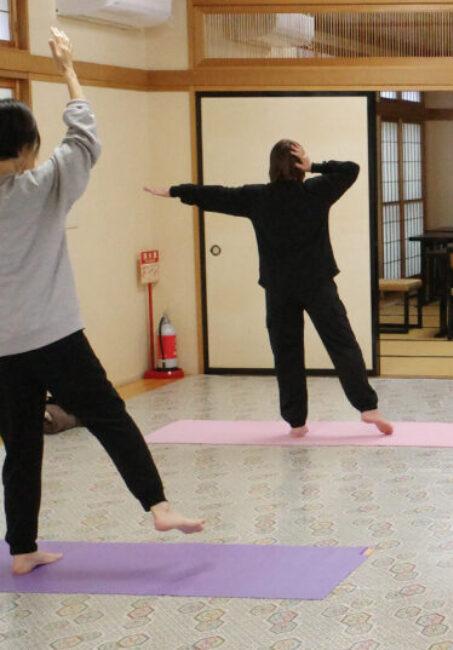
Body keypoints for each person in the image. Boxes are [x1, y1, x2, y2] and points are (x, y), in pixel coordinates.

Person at [0, 28, 204, 575]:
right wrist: (67, 69)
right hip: (55, 336)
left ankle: (22, 549)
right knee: (110, 417)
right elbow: (84, 139)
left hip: (3, 348)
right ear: (26, 148)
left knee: (20, 446)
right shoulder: (42, 186)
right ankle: (158, 506)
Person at [145, 142, 392, 438]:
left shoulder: (258, 197)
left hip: (279, 288)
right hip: (317, 284)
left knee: (287, 353)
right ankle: (367, 407)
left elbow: (216, 195)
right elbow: (351, 169)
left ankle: (296, 422)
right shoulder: (316, 191)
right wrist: (314, 166)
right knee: (342, 343)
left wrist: (176, 191)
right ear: (298, 165)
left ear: (272, 166)